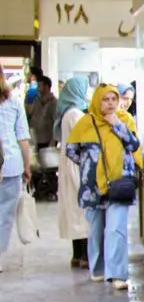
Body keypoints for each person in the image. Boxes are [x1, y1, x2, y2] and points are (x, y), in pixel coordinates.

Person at [65, 84, 141, 289]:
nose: (110, 104)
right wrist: (90, 166)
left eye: (114, 99)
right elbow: (71, 150)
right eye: (105, 100)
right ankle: (98, 269)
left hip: (120, 184)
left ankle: (117, 274)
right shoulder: (86, 122)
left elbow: (134, 145)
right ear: (97, 101)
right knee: (96, 230)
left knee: (116, 229)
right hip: (93, 187)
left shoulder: (125, 120)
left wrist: (117, 124)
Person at [56, 77, 90, 267]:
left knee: (73, 210)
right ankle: (85, 256)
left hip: (68, 166)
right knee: (82, 211)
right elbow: (84, 143)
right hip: (77, 167)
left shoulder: (67, 113)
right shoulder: (76, 115)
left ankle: (77, 255)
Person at [0, 74, 33, 272]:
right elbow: (22, 137)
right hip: (11, 163)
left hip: (10, 164)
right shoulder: (13, 102)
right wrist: (27, 166)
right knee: (4, 213)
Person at [28, 75, 57, 149]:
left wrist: (53, 141)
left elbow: (56, 123)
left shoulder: (54, 102)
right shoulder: (36, 101)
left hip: (48, 141)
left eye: (39, 86)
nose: (37, 89)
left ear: (46, 87)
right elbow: (32, 117)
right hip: (36, 140)